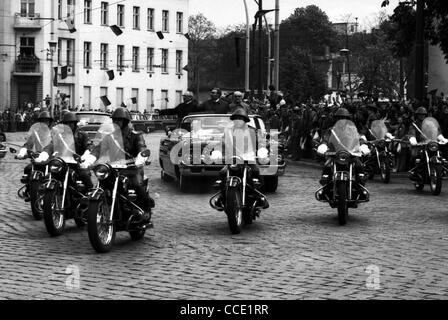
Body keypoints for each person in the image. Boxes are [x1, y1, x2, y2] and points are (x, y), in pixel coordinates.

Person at [88, 107, 155, 222]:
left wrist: (140, 158)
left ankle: (145, 209)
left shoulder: (136, 135)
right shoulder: (110, 136)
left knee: (137, 184)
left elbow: (141, 147)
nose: (116, 123)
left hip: (132, 169)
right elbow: (99, 149)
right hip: (114, 169)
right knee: (102, 183)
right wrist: (90, 158)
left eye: (119, 120)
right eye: (115, 120)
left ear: (125, 121)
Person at [213, 109, 267, 208]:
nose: (238, 120)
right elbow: (221, 143)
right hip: (233, 159)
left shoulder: (252, 131)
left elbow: (261, 142)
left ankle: (258, 196)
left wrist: (262, 150)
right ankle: (222, 196)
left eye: (240, 118)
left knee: (256, 171)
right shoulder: (228, 131)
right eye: (236, 118)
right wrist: (217, 151)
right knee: (222, 173)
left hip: (248, 159)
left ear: (245, 120)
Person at [35, 111, 94, 191]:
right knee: (48, 175)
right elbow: (51, 145)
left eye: (71, 124)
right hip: (62, 163)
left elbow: (89, 145)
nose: (69, 126)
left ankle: (88, 197)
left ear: (75, 124)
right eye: (67, 124)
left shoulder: (82, 135)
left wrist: (85, 155)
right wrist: (45, 153)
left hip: (77, 164)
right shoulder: (59, 135)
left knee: (85, 176)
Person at [16, 111, 54, 201]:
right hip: (38, 158)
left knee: (56, 172)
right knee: (28, 169)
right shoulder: (35, 133)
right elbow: (28, 144)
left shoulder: (54, 133)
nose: (45, 123)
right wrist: (23, 152)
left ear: (50, 122)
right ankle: (29, 189)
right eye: (42, 121)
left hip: (51, 158)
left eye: (47, 121)